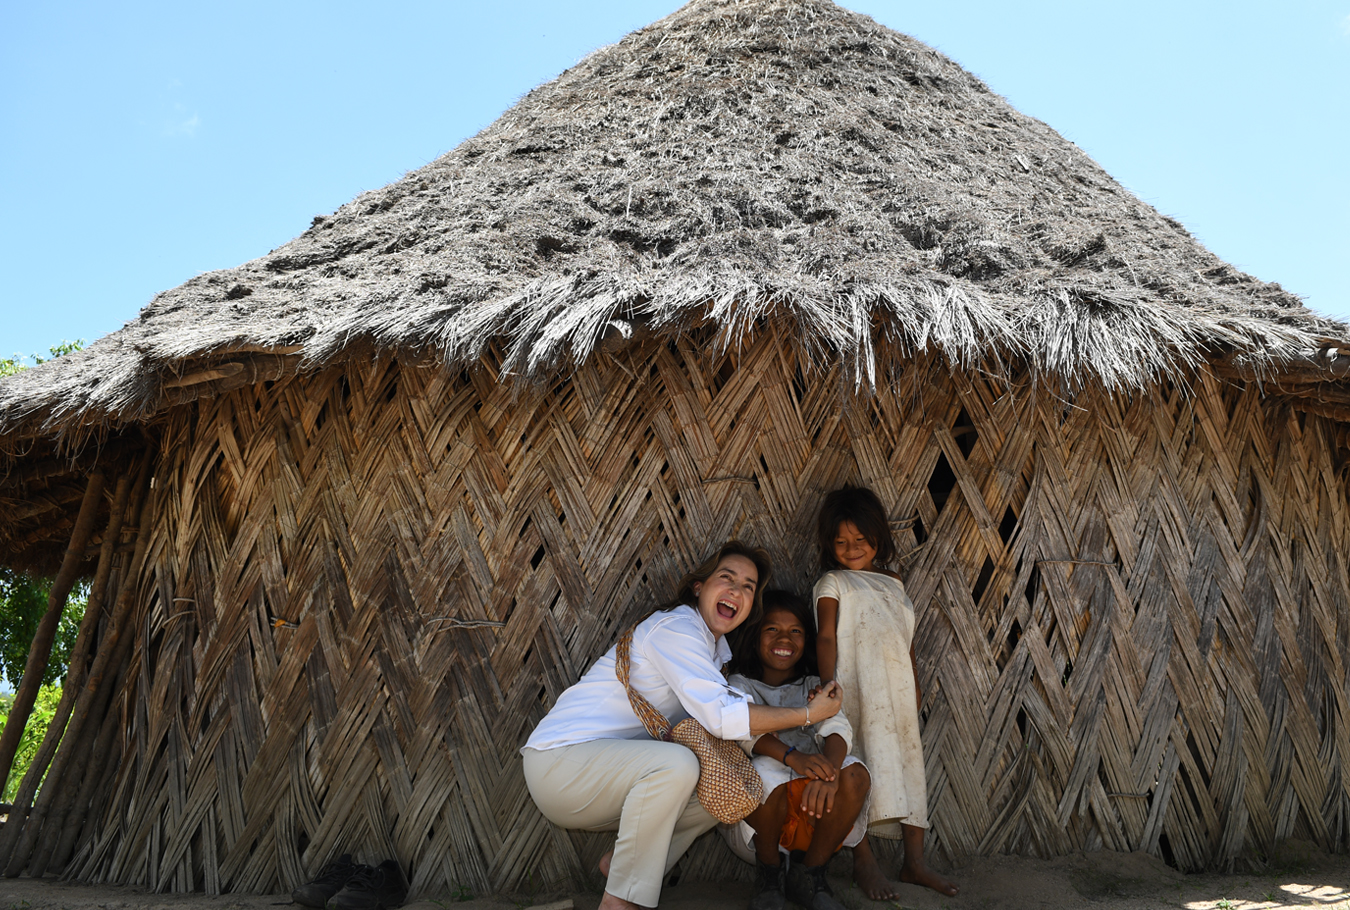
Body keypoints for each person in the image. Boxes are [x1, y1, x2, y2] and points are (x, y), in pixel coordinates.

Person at [522, 541, 844, 910]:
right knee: (677, 765)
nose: (736, 591)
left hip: (601, 776)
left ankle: (622, 868)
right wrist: (808, 715)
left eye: (748, 587)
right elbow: (723, 717)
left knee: (724, 792)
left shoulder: (714, 654)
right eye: (727, 578)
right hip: (559, 765)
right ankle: (620, 902)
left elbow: (729, 720)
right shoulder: (676, 629)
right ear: (699, 587)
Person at [813, 486, 958, 898]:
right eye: (840, 542)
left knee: (909, 768)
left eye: (860, 539)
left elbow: (906, 641)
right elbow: (825, 637)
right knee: (859, 766)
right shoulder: (833, 581)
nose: (851, 548)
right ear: (828, 545)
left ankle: (915, 864)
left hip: (895, 694)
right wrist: (829, 686)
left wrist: (912, 688)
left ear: (878, 536)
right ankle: (864, 863)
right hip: (853, 690)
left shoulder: (894, 582)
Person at [722, 590, 871, 910]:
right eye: (772, 629)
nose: (784, 638)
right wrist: (796, 758)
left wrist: (830, 772)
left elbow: (837, 726)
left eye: (796, 631)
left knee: (856, 774)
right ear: (754, 636)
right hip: (762, 826)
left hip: (817, 816)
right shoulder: (740, 684)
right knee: (760, 772)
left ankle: (810, 873)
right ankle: (770, 873)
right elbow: (743, 732)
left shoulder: (813, 685)